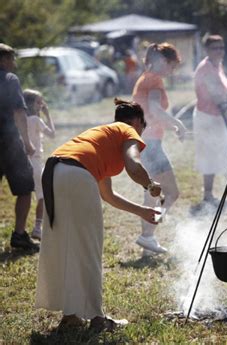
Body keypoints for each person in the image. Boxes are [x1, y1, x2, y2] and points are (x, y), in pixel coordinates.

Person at [35, 98, 163, 331]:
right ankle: (96, 318)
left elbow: (109, 195)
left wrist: (142, 210)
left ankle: (71, 315)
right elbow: (134, 165)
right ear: (136, 122)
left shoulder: (102, 138)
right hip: (75, 174)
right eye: (142, 128)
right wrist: (150, 185)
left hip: (53, 172)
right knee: (89, 248)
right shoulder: (126, 129)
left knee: (66, 245)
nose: (141, 134)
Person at [132, 42, 187, 256]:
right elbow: (154, 108)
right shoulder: (154, 80)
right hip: (150, 145)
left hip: (144, 142)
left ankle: (148, 241)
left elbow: (150, 114)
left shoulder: (145, 78)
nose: (172, 71)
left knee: (152, 193)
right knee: (171, 193)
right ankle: (148, 234)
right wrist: (180, 124)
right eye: (172, 66)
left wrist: (172, 126)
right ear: (163, 61)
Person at [0, 43, 38, 251]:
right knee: (24, 188)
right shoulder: (10, 79)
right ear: (4, 60)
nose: (14, 63)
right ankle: (19, 234)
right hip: (9, 143)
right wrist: (28, 141)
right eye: (12, 59)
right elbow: (19, 113)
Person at [193, 34, 227, 204]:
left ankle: (215, 193)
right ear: (207, 50)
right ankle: (211, 195)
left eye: (221, 47)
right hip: (207, 118)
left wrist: (226, 117)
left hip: (215, 116)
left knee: (222, 154)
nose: (220, 51)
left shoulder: (217, 65)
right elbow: (218, 97)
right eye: (215, 48)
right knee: (211, 155)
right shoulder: (206, 69)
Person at [24, 89, 55, 240]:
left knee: (24, 196)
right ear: (31, 103)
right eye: (38, 102)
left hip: (23, 162)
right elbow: (52, 134)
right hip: (36, 162)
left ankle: (21, 229)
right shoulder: (36, 120)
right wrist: (47, 115)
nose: (41, 104)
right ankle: (37, 227)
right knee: (41, 196)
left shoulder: (21, 119)